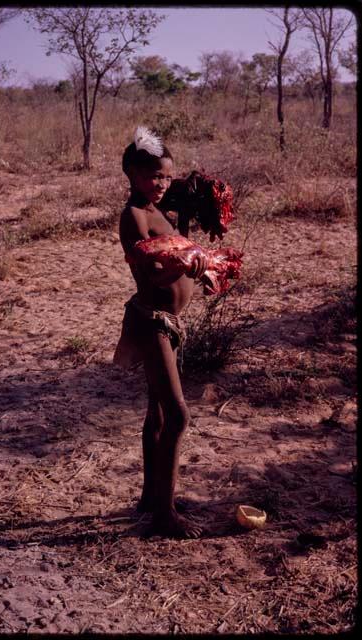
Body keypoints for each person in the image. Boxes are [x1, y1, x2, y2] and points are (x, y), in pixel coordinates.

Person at [113, 126, 208, 538]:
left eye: (167, 177)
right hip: (151, 322)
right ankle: (164, 516)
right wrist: (187, 264)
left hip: (169, 325)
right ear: (132, 173)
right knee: (178, 415)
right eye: (154, 176)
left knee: (156, 414)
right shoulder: (133, 216)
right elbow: (150, 272)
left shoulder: (160, 211)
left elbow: (177, 240)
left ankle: (152, 497)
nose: (162, 184)